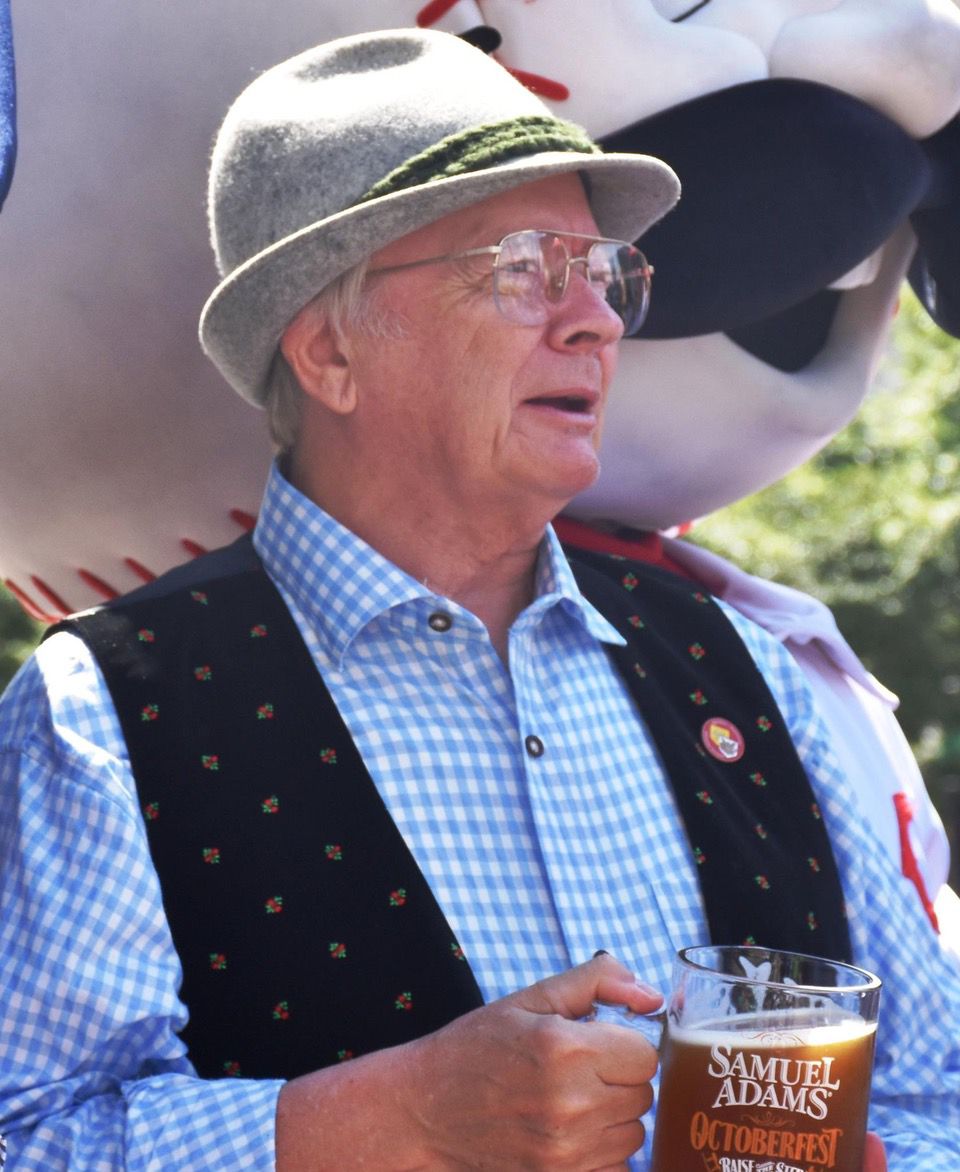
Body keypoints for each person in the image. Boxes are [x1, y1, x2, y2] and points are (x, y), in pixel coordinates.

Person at [0, 27, 957, 1170]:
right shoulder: (101, 712)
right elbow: (27, 1131)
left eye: (604, 273)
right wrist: (391, 1118)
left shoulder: (750, 674)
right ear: (329, 351)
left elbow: (933, 1093)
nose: (597, 319)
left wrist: (867, 1157)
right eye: (524, 269)